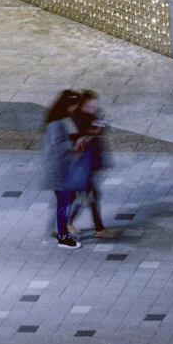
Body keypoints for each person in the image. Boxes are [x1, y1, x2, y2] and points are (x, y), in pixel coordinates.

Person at [40, 90, 91, 247]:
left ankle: (58, 231)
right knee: (64, 203)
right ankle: (63, 236)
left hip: (66, 168)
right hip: (58, 170)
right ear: (67, 105)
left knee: (66, 200)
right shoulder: (56, 123)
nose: (76, 108)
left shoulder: (65, 120)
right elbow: (59, 145)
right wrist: (76, 145)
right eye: (74, 105)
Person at [75, 91, 111, 236]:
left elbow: (101, 128)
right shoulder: (79, 120)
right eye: (89, 105)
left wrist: (97, 130)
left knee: (88, 197)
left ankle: (97, 227)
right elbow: (79, 142)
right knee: (89, 196)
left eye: (93, 105)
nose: (93, 107)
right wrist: (89, 135)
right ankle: (98, 228)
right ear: (82, 105)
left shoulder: (92, 117)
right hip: (83, 165)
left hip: (90, 164)